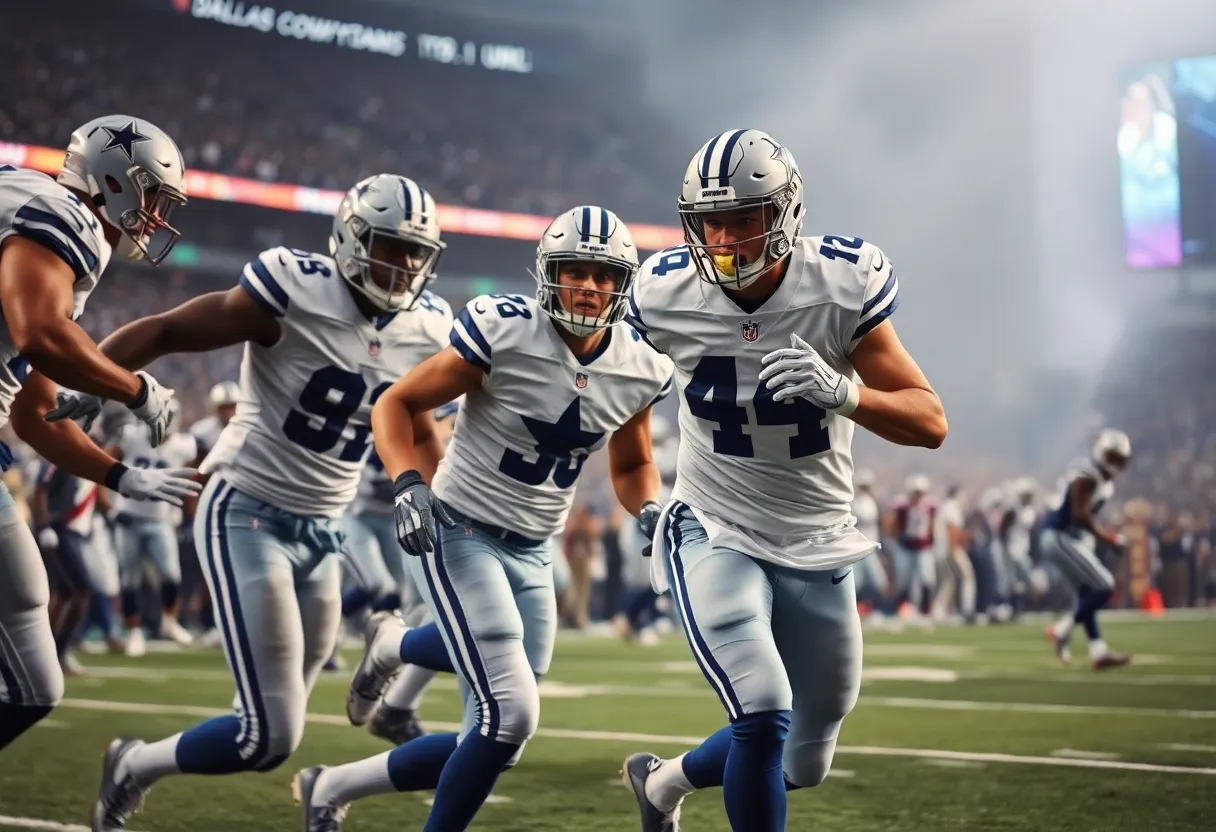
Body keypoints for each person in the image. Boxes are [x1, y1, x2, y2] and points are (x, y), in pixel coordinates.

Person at [65, 174, 453, 831]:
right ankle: (133, 765)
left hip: (324, 530)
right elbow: (164, 330)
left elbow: (419, 426)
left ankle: (336, 742)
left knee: (284, 731)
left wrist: (448, 500)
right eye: (391, 247)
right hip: (247, 508)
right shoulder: (295, 290)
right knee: (264, 737)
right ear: (353, 240)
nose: (406, 264)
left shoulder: (430, 328)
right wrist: (89, 381)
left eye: (418, 252)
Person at [291, 205, 673, 832]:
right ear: (547, 274)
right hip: (461, 528)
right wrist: (409, 483)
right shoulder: (504, 330)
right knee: (511, 713)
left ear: (623, 284)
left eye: (604, 276)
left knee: (499, 738)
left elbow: (632, 467)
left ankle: (336, 776)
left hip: (534, 547)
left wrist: (650, 508)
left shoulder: (640, 365)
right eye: (575, 271)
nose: (590, 287)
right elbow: (397, 401)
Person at [619, 128, 947, 832]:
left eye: (746, 219)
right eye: (713, 223)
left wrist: (845, 392)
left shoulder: (839, 284)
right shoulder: (664, 292)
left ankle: (665, 782)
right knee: (763, 711)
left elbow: (929, 421)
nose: (728, 240)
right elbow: (622, 416)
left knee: (806, 757)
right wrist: (644, 496)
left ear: (786, 214)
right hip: (715, 527)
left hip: (818, 535)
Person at [0, 115, 198, 751]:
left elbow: (35, 413)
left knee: (34, 673)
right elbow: (41, 336)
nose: (155, 215)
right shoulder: (65, 217)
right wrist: (135, 388)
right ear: (113, 179)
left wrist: (120, 475)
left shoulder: (38, 207)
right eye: (150, 196)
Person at [1041, 429, 1133, 670]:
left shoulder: (1101, 480)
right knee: (1104, 585)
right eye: (1112, 457)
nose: (1115, 463)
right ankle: (1063, 629)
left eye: (1119, 459)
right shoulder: (1087, 474)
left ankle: (1098, 650)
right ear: (1102, 453)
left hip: (1067, 537)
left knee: (1087, 593)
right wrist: (1108, 538)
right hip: (1060, 535)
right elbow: (1080, 515)